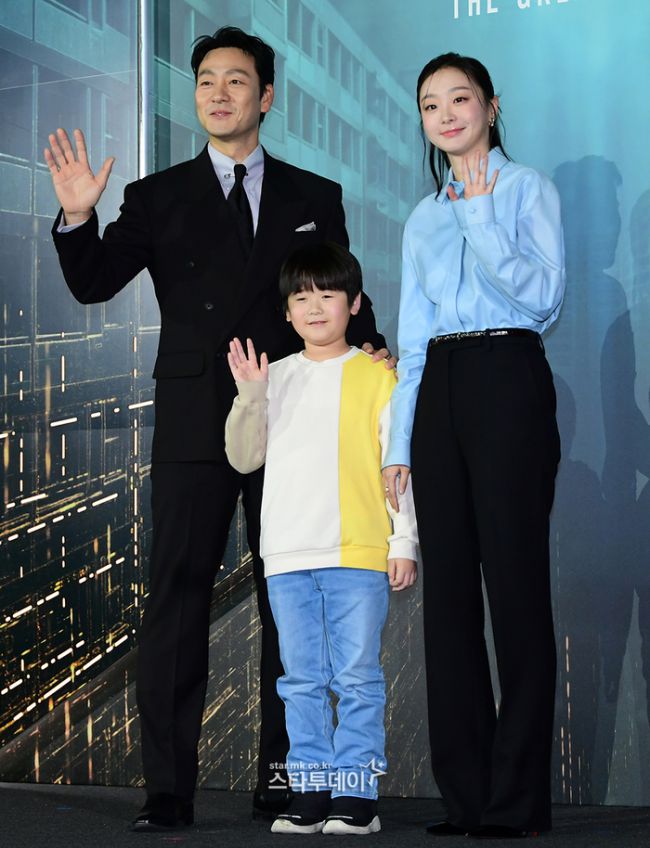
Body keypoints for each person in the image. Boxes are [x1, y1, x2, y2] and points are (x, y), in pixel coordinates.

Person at [44, 26, 391, 832]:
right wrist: (76, 218)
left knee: (290, 602)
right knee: (177, 601)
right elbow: (94, 282)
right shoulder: (157, 195)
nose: (218, 92)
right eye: (206, 80)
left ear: (265, 97)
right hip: (196, 418)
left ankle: (287, 775)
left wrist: (371, 345)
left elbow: (341, 292)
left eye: (236, 80)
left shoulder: (315, 194)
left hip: (295, 421)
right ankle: (168, 790)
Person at [382, 53, 565, 839]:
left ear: (491, 106)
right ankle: (465, 795)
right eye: (431, 104)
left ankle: (517, 801)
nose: (446, 113)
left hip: (509, 377)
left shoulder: (529, 189)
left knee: (515, 592)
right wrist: (398, 443)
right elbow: (412, 343)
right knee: (448, 603)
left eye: (460, 98)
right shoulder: (421, 218)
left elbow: (545, 299)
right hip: (440, 391)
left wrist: (484, 219)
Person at [224, 242, 418, 835]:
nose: (314, 307)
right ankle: (308, 791)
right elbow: (243, 457)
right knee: (300, 680)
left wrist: (403, 541)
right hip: (286, 556)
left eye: (328, 295)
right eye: (301, 297)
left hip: (358, 550)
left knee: (357, 677)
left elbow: (398, 467)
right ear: (286, 311)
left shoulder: (380, 377)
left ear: (354, 304)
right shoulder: (275, 377)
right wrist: (250, 395)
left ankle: (356, 795)